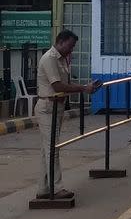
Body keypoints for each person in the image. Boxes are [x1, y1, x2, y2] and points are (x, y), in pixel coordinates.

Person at [34, 30, 99, 199]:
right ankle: (56, 188)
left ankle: (43, 187)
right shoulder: (49, 59)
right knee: (52, 149)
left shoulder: (62, 59)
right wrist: (84, 88)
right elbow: (58, 86)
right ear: (61, 42)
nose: (71, 50)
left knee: (46, 149)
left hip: (57, 107)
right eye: (70, 46)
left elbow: (66, 83)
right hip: (48, 106)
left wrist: (85, 87)